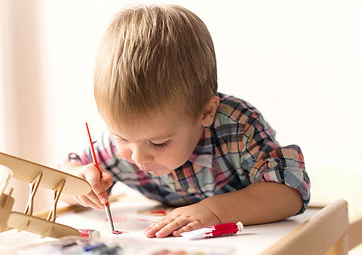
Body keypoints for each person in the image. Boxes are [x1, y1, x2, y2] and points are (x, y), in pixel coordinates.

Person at [60, 4, 310, 238]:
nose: (138, 157)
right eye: (122, 137)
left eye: (159, 143)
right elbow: (62, 179)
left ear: (205, 113)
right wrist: (79, 185)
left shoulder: (237, 126)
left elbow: (290, 192)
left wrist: (214, 211)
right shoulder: (116, 147)